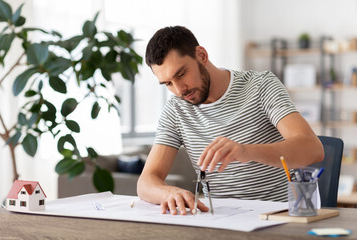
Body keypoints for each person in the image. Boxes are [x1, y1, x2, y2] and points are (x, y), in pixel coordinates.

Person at [137, 26, 324, 215]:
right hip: (221, 220)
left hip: (278, 216)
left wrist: (246, 151)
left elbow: (312, 149)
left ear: (201, 55)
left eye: (181, 74)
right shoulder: (176, 110)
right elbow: (146, 182)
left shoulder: (261, 85)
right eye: (168, 83)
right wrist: (169, 192)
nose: (179, 90)